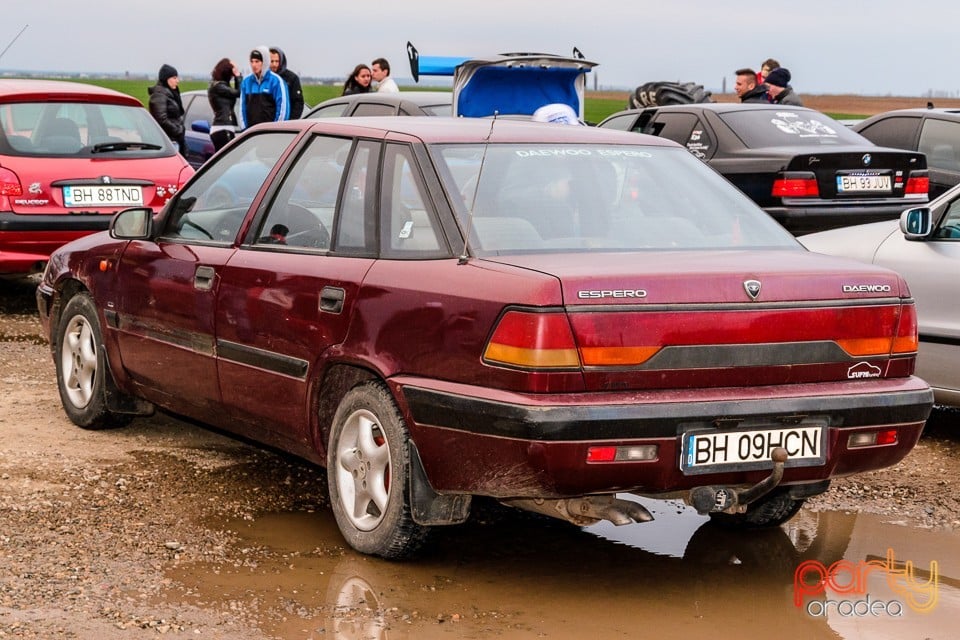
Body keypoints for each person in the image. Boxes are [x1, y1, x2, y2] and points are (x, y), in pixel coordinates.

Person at [239, 46, 290, 129]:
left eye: (257, 61)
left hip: (270, 133)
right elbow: (242, 110)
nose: (254, 65)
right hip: (251, 133)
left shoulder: (276, 81)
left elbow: (282, 109)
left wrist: (276, 129)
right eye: (252, 62)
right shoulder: (246, 82)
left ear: (265, 62)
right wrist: (244, 130)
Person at [148, 63, 186, 156]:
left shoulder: (170, 94)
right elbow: (161, 119)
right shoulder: (159, 95)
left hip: (174, 140)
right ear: (166, 78)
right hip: (168, 142)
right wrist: (178, 130)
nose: (177, 81)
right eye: (174, 78)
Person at [207, 58, 242, 152]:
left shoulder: (219, 86)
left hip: (224, 127)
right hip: (222, 128)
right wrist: (238, 76)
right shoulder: (219, 86)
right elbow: (239, 92)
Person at [269, 47, 304, 118]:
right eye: (271, 61)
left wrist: (290, 122)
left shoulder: (292, 78)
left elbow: (298, 103)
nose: (274, 64)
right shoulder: (261, 79)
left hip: (285, 124)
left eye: (277, 61)